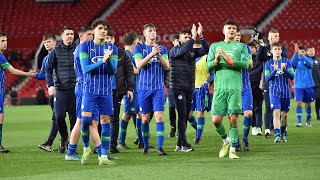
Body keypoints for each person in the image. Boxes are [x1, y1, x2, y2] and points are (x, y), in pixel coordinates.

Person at [206, 20, 250, 159]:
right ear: (223, 31)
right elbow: (207, 66)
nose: (231, 30)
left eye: (234, 28)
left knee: (233, 120)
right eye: (229, 28)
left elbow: (246, 64)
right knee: (216, 120)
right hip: (219, 89)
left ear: (236, 32)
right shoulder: (215, 46)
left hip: (234, 88)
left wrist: (229, 60)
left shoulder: (242, 47)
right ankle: (226, 141)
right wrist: (217, 60)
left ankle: (232, 150)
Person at [79, 19, 118, 165]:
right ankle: (86, 147)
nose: (103, 31)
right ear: (94, 30)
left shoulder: (111, 48)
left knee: (106, 121)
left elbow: (113, 71)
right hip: (89, 90)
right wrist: (102, 61)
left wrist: (108, 61)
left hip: (106, 90)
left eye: (105, 29)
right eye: (100, 28)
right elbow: (85, 69)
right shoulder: (85, 47)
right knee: (86, 122)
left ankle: (104, 156)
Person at [64, 25, 103, 161]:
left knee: (92, 122)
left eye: (93, 35)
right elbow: (87, 69)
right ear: (81, 36)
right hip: (83, 88)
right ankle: (70, 151)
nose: (92, 37)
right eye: (89, 35)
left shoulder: (85, 49)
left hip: (91, 88)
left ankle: (100, 152)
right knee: (81, 120)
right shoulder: (81, 49)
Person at [170, 24, 209, 151]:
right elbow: (182, 51)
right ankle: (184, 144)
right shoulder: (175, 50)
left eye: (188, 36)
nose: (188, 39)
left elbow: (205, 50)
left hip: (188, 88)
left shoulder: (192, 51)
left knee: (185, 115)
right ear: (180, 39)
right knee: (182, 114)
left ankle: (179, 143)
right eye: (185, 37)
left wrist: (201, 36)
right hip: (178, 87)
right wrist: (193, 37)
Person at [134, 23, 170, 155]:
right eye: (150, 30)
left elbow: (167, 67)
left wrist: (159, 54)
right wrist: (152, 54)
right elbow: (138, 65)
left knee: (159, 117)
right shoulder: (139, 48)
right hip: (143, 89)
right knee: (144, 119)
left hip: (158, 89)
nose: (153, 33)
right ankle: (146, 145)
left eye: (154, 30)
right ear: (144, 34)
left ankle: (160, 148)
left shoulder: (163, 49)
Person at [0, 32, 36, 153]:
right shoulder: (0, 57)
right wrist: (28, 74)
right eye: (2, 41)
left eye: (5, 40)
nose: (5, 43)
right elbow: (13, 71)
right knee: (0, 117)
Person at [46, 26, 77, 153]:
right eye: (67, 34)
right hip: (60, 89)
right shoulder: (56, 51)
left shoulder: (78, 49)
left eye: (72, 34)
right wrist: (50, 85)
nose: (70, 36)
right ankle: (64, 138)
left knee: (74, 120)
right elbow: (48, 69)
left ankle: (72, 144)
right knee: (59, 117)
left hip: (75, 90)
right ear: (62, 36)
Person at [105, 30, 134, 153]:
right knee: (102, 118)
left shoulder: (121, 53)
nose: (109, 40)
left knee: (114, 119)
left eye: (111, 38)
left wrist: (130, 88)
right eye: (107, 38)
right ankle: (101, 145)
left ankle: (112, 145)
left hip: (117, 90)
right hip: (102, 90)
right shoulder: (98, 53)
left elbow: (129, 71)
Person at [255, 29, 288, 138]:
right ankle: (268, 129)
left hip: (280, 83)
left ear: (279, 38)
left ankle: (279, 128)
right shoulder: (264, 48)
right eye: (273, 36)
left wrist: (270, 52)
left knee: (279, 108)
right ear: (269, 38)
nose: (275, 38)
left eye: (276, 36)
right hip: (267, 82)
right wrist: (261, 46)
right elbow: (259, 58)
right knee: (269, 106)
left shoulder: (282, 49)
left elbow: (283, 59)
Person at [264, 42, 294, 143]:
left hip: (285, 91)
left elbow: (292, 77)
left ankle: (282, 132)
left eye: (279, 49)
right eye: (275, 49)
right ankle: (277, 135)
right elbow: (267, 79)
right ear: (271, 51)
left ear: (281, 51)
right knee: (276, 112)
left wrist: (285, 70)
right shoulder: (268, 64)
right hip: (274, 91)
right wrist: (275, 71)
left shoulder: (287, 62)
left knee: (284, 114)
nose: (277, 51)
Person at [118, 31, 141, 149]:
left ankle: (141, 140)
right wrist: (144, 66)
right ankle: (121, 141)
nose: (139, 42)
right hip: (130, 89)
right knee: (127, 114)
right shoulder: (126, 54)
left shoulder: (133, 53)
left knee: (140, 113)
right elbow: (133, 70)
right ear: (134, 41)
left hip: (137, 88)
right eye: (138, 40)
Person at [188, 39, 213, 145]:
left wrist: (206, 82)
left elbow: (213, 74)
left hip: (201, 90)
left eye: (199, 46)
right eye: (195, 45)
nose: (197, 47)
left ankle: (198, 137)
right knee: (188, 115)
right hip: (190, 89)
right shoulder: (189, 58)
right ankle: (198, 129)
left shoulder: (206, 58)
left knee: (200, 113)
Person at [36, 33, 58, 152]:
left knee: (57, 117)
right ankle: (65, 142)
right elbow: (42, 76)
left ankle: (50, 142)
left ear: (55, 42)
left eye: (48, 42)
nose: (46, 44)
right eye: (45, 43)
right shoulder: (46, 58)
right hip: (52, 92)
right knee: (57, 118)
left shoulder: (60, 55)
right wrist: (32, 74)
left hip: (61, 90)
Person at [234, 29, 253, 152]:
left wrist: (247, 63)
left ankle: (245, 138)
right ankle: (235, 141)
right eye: (235, 35)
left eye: (238, 35)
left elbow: (250, 64)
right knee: (234, 116)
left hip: (245, 86)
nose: (237, 37)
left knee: (248, 113)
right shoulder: (226, 49)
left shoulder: (246, 49)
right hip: (233, 87)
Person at [291, 45, 314, 127]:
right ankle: (299, 122)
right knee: (299, 103)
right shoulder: (296, 61)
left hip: (308, 85)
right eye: (300, 52)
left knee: (308, 104)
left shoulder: (309, 60)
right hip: (298, 86)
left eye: (303, 51)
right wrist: (295, 53)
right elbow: (291, 64)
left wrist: (302, 55)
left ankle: (308, 121)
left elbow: (309, 64)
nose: (301, 53)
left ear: (305, 52)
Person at [248, 42, 263, 139]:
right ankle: (253, 126)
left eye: (252, 47)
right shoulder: (245, 58)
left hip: (258, 85)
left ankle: (259, 126)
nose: (251, 49)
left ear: (256, 49)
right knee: (251, 107)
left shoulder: (259, 58)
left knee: (258, 107)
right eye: (249, 48)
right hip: (248, 85)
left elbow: (260, 69)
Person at [166, 34, 179, 137]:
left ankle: (180, 128)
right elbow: (165, 69)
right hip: (171, 85)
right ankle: (173, 127)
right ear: (173, 42)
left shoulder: (183, 52)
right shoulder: (168, 53)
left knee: (181, 109)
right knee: (171, 107)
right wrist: (166, 83)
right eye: (176, 41)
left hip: (181, 85)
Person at [306, 46, 320, 120]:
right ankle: (308, 115)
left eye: (313, 50)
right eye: (310, 51)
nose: (312, 52)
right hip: (308, 84)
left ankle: (317, 114)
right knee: (308, 101)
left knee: (318, 98)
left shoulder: (318, 60)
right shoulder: (305, 60)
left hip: (317, 84)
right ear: (307, 52)